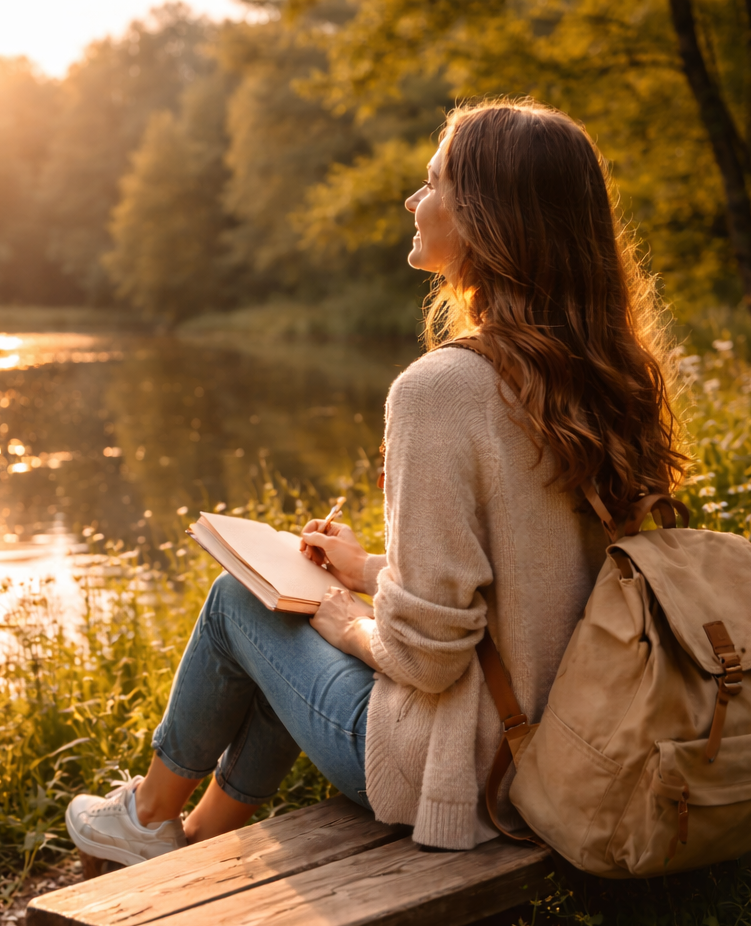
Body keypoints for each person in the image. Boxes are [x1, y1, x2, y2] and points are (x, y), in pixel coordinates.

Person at [64, 98, 685, 866]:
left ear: (485, 216)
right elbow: (528, 581)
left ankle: (147, 814)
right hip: (580, 740)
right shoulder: (607, 376)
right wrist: (363, 570)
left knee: (238, 602)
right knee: (285, 625)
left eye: (433, 182)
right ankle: (191, 839)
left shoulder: (442, 390)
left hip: (466, 770)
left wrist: (348, 623)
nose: (413, 199)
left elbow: (428, 659)